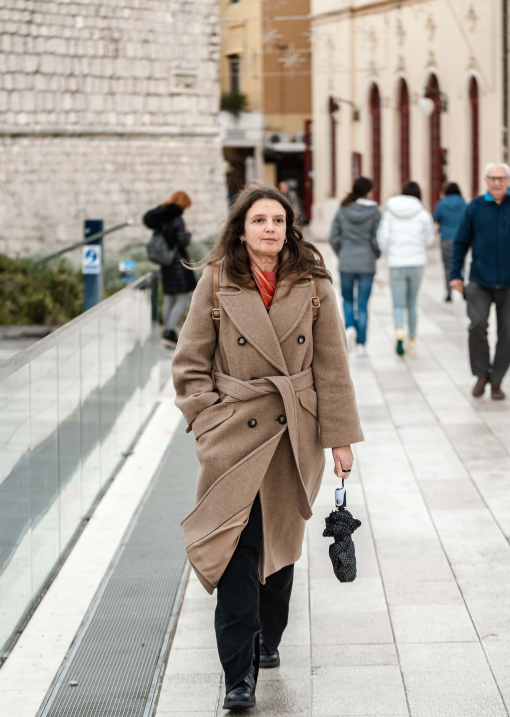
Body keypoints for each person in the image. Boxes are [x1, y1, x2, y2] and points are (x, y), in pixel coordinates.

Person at [171, 186, 364, 711]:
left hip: (291, 432)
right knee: (236, 548)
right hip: (233, 434)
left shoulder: (313, 284)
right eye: (259, 220)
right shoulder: (215, 281)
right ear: (241, 228)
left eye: (278, 220)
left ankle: (268, 638)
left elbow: (332, 367)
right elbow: (189, 363)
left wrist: (340, 438)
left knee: (278, 553)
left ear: (288, 228)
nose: (270, 229)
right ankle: (238, 676)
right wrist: (207, 420)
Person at [449, 163, 510, 401]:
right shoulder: (476, 207)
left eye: (501, 179)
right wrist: (455, 274)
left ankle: (497, 380)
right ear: (486, 180)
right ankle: (481, 374)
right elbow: (460, 242)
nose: (497, 183)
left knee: (509, 332)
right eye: (492, 178)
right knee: (477, 325)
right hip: (480, 279)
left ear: (509, 180)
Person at [379, 181, 436, 356]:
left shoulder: (390, 213)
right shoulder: (424, 214)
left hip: (396, 263)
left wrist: (390, 253)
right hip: (417, 262)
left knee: (398, 304)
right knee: (412, 304)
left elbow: (383, 238)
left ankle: (399, 331)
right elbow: (429, 240)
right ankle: (412, 340)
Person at [329, 176, 382, 356]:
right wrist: (375, 253)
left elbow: (333, 237)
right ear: (368, 191)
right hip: (367, 262)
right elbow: (377, 239)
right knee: (363, 304)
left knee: (347, 299)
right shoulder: (375, 211)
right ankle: (361, 344)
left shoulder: (343, 209)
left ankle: (350, 327)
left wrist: (342, 252)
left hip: (346, 261)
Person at [143, 191, 197, 346]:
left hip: (166, 263)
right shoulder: (177, 219)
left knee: (169, 297)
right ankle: (168, 331)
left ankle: (167, 331)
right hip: (178, 264)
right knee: (181, 298)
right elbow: (182, 241)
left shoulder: (161, 218)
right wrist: (188, 234)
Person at [433, 183, 467, 302]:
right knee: (461, 265)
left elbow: (436, 217)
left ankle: (449, 293)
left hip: (446, 238)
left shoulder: (442, 203)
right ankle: (463, 291)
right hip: (461, 239)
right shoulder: (463, 203)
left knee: (447, 267)